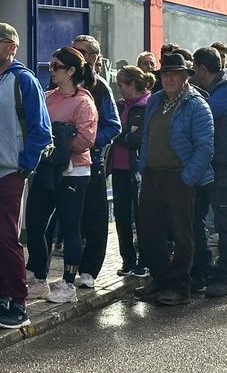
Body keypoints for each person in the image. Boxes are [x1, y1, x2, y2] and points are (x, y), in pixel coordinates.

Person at [0, 24, 52, 330]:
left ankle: (19, 304)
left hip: (9, 172)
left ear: (11, 47)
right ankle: (1, 296)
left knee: (7, 238)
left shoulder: (24, 80)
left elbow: (41, 131)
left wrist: (24, 166)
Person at [133, 52, 215, 306]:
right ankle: (160, 279)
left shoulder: (196, 105)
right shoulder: (156, 101)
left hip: (179, 177)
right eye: (165, 74)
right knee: (150, 232)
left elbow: (205, 148)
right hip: (153, 176)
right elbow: (147, 137)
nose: (168, 79)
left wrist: (187, 179)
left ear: (184, 77)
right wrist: (142, 167)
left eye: (174, 74)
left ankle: (180, 287)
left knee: (183, 234)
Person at [25, 47, 98, 304]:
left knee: (69, 227)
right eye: (50, 66)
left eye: (56, 67)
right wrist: (54, 140)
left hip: (73, 172)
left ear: (71, 71)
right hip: (45, 170)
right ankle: (39, 278)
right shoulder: (47, 97)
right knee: (34, 223)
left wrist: (59, 143)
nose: (51, 71)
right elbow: (35, 127)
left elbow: (86, 139)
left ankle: (68, 283)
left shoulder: (83, 102)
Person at [190, 48, 227, 299]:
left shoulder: (226, 89)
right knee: (195, 216)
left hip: (223, 163)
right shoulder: (212, 88)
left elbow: (203, 114)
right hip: (203, 162)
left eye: (194, 68)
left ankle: (222, 275)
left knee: (224, 221)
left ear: (202, 68)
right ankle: (200, 270)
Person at [71, 35, 122, 289]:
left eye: (80, 51)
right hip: (64, 163)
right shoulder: (60, 82)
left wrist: (90, 142)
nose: (75, 54)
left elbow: (114, 125)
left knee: (94, 216)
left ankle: (90, 269)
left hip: (92, 162)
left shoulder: (100, 86)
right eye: (73, 50)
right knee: (69, 218)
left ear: (93, 57)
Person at [110, 66, 154, 278]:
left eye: (122, 85)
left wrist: (124, 135)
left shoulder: (148, 105)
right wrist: (126, 133)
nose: (120, 89)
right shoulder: (120, 106)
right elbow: (113, 131)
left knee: (143, 216)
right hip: (119, 168)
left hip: (139, 170)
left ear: (134, 85)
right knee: (121, 216)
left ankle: (144, 261)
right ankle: (127, 260)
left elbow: (139, 139)